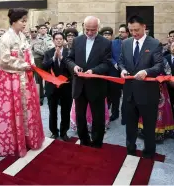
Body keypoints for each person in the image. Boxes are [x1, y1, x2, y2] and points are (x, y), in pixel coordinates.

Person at [0, 8, 44, 157]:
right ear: (14, 21)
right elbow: (4, 60)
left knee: (26, 108)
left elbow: (29, 52)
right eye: (23, 21)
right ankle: (11, 142)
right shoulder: (6, 37)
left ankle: (26, 139)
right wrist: (22, 65)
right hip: (11, 79)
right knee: (13, 109)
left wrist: (30, 63)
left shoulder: (22, 36)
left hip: (24, 76)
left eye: (26, 21)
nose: (25, 24)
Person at [119, 15, 163, 158]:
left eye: (137, 30)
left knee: (149, 126)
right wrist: (122, 69)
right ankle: (130, 150)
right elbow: (121, 61)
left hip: (147, 93)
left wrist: (146, 71)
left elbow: (159, 66)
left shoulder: (154, 44)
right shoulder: (126, 43)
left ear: (144, 27)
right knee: (130, 126)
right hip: (129, 92)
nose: (134, 33)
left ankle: (149, 153)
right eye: (131, 30)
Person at [65, 16, 111, 148]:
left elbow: (107, 64)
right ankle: (84, 141)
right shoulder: (77, 41)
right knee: (80, 116)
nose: (90, 32)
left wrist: (94, 71)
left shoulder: (105, 43)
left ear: (98, 28)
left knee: (98, 117)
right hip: (79, 85)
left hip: (96, 85)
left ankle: (96, 143)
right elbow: (68, 59)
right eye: (87, 29)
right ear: (83, 27)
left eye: (93, 30)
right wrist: (73, 66)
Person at [138, 58, 174, 143]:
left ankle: (160, 132)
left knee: (161, 110)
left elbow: (169, 74)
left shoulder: (164, 60)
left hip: (161, 88)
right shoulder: (145, 57)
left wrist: (167, 78)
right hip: (147, 87)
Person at [43, 32, 72, 141]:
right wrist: (54, 58)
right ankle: (54, 132)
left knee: (65, 110)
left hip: (66, 86)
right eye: (56, 39)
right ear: (53, 40)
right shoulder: (48, 53)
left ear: (64, 40)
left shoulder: (69, 52)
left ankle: (64, 132)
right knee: (52, 110)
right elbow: (44, 66)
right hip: (52, 87)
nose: (59, 41)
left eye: (60, 39)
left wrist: (62, 58)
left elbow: (71, 68)